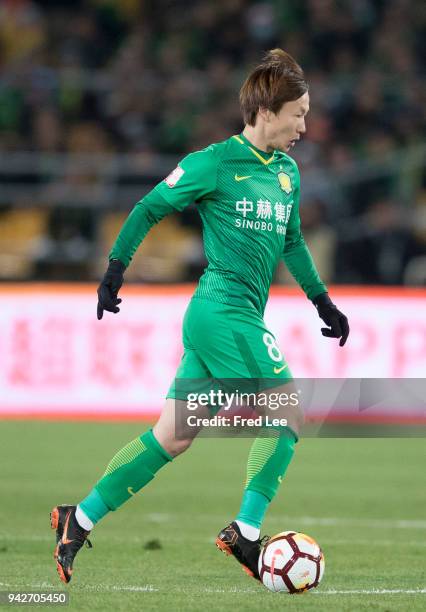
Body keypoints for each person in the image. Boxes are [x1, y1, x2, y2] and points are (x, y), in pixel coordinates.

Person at [50, 49, 349, 584]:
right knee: (288, 409)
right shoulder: (213, 162)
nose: (305, 125)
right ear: (265, 111)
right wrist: (115, 269)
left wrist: (321, 300)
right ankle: (247, 534)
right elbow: (149, 207)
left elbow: (294, 242)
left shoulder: (286, 173)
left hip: (233, 315)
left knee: (172, 435)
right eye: (298, 113)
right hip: (221, 312)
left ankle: (80, 516)